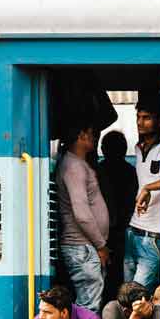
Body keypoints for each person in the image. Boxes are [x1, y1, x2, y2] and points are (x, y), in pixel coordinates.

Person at [57, 125, 111, 309]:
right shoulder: (74, 167)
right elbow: (82, 214)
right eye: (91, 134)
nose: (95, 138)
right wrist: (101, 245)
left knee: (90, 300)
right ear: (81, 135)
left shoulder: (75, 164)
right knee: (89, 304)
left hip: (84, 246)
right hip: (83, 247)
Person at [123, 99, 160, 292]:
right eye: (138, 117)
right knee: (126, 294)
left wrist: (148, 188)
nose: (140, 122)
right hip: (133, 231)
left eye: (146, 118)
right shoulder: (138, 149)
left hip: (153, 236)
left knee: (134, 294)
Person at [96, 131, 138, 299]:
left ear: (103, 149)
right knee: (122, 271)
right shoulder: (131, 171)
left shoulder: (98, 171)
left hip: (100, 231)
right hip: (125, 228)